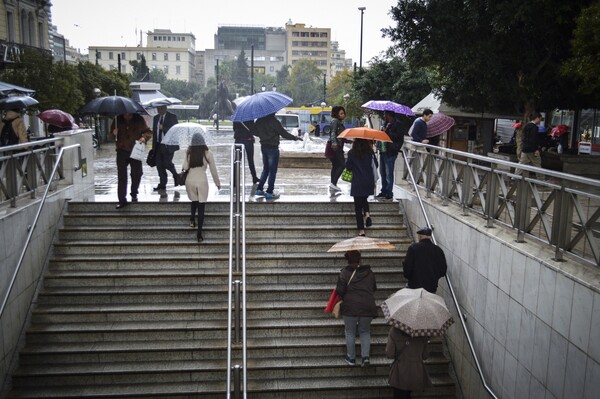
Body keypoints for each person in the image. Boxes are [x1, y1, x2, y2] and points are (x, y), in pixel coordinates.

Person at [335, 250, 378, 367]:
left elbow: (340, 290)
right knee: (365, 331)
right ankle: (365, 357)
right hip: (367, 306)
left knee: (350, 332)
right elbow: (374, 287)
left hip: (350, 306)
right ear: (360, 259)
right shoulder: (369, 272)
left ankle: (351, 358)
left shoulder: (344, 273)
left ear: (347, 259)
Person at [252, 112, 301, 200]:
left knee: (265, 169)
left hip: (264, 147)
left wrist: (263, 134)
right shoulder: (275, 122)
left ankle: (259, 189)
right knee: (272, 171)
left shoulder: (259, 121)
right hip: (273, 148)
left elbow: (254, 131)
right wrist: (295, 138)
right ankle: (269, 192)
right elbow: (284, 134)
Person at [182, 132, 221, 242]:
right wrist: (217, 183)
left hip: (190, 180)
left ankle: (191, 219)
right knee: (201, 206)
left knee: (194, 201)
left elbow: (184, 167)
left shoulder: (188, 152)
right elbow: (213, 170)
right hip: (202, 180)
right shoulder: (207, 153)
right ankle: (199, 234)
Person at [109, 112, 152, 209]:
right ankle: (122, 200)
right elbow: (110, 136)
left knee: (137, 173)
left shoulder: (139, 119)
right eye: (125, 113)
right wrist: (113, 134)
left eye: (128, 113)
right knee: (122, 176)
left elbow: (148, 132)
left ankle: (134, 192)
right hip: (121, 151)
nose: (126, 115)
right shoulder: (117, 119)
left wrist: (143, 137)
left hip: (135, 150)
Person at [386, 326, 432, 399]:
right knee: (407, 395)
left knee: (399, 395)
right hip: (416, 371)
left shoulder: (394, 330)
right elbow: (425, 356)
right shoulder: (423, 332)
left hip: (400, 371)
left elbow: (389, 353)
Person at [345, 138, 377, 236]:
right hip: (368, 181)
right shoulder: (370, 152)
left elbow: (348, 166)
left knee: (358, 207)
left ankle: (361, 230)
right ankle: (367, 214)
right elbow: (376, 165)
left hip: (357, 181)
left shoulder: (352, 152)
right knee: (364, 199)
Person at [402, 227, 447, 293]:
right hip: (431, 287)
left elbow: (408, 267)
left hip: (415, 286)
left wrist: (408, 276)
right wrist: (434, 277)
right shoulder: (438, 250)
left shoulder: (413, 248)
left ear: (420, 237)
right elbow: (443, 270)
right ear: (430, 237)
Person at [376, 111, 404, 200]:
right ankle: (383, 190)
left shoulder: (397, 124)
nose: (384, 116)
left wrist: (387, 131)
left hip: (391, 151)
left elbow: (397, 137)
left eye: (385, 114)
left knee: (389, 173)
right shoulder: (385, 123)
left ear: (389, 115)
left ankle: (389, 192)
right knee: (382, 172)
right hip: (383, 150)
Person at [152, 105, 179, 191]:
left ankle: (176, 175)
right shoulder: (156, 118)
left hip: (168, 144)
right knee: (159, 165)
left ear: (166, 108)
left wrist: (164, 128)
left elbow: (175, 131)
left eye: (161, 108)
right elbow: (154, 133)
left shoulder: (172, 117)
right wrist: (153, 147)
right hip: (158, 144)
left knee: (167, 163)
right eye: (158, 109)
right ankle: (162, 183)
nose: (160, 110)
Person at [328, 106, 348, 192]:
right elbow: (333, 133)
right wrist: (334, 143)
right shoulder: (335, 121)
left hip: (336, 145)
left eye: (343, 113)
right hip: (335, 147)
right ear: (336, 114)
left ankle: (333, 184)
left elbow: (339, 135)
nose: (343, 115)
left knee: (336, 165)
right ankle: (333, 183)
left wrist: (347, 141)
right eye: (341, 113)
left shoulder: (338, 122)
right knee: (342, 165)